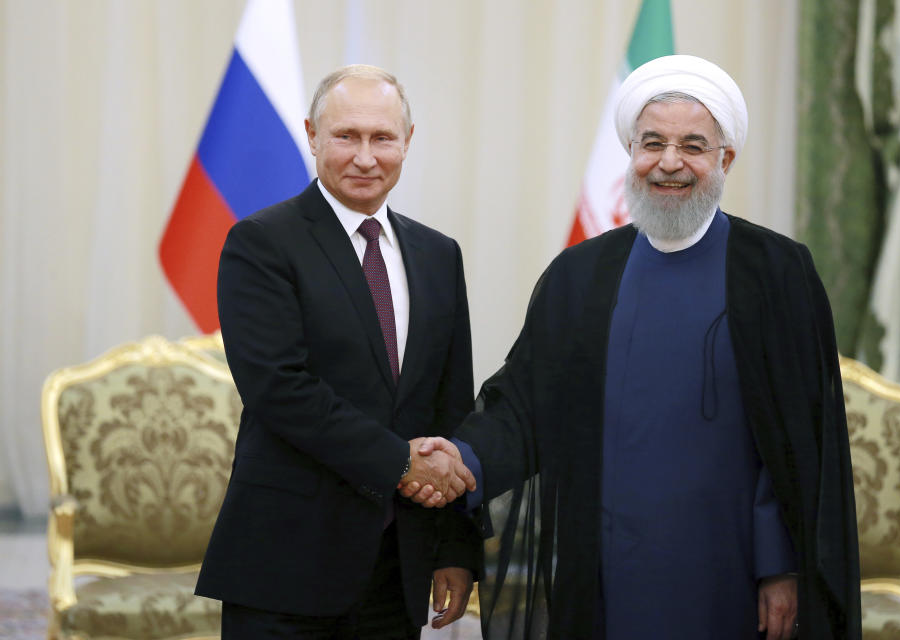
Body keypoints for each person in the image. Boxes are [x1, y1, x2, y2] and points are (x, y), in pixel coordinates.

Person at [401, 55, 861, 639]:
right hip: (607, 563)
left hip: (731, 568)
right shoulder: (582, 274)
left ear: (727, 159)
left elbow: (797, 442)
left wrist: (780, 566)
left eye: (693, 145)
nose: (670, 163)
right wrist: (461, 462)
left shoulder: (776, 272)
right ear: (631, 154)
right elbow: (524, 406)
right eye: (653, 143)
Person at [195, 64, 483, 640]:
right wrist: (402, 463)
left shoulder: (437, 255)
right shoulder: (261, 243)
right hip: (286, 563)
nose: (365, 156)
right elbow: (280, 388)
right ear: (311, 135)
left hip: (396, 568)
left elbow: (451, 404)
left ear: (408, 141)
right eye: (346, 136)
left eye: (382, 138)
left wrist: (456, 546)